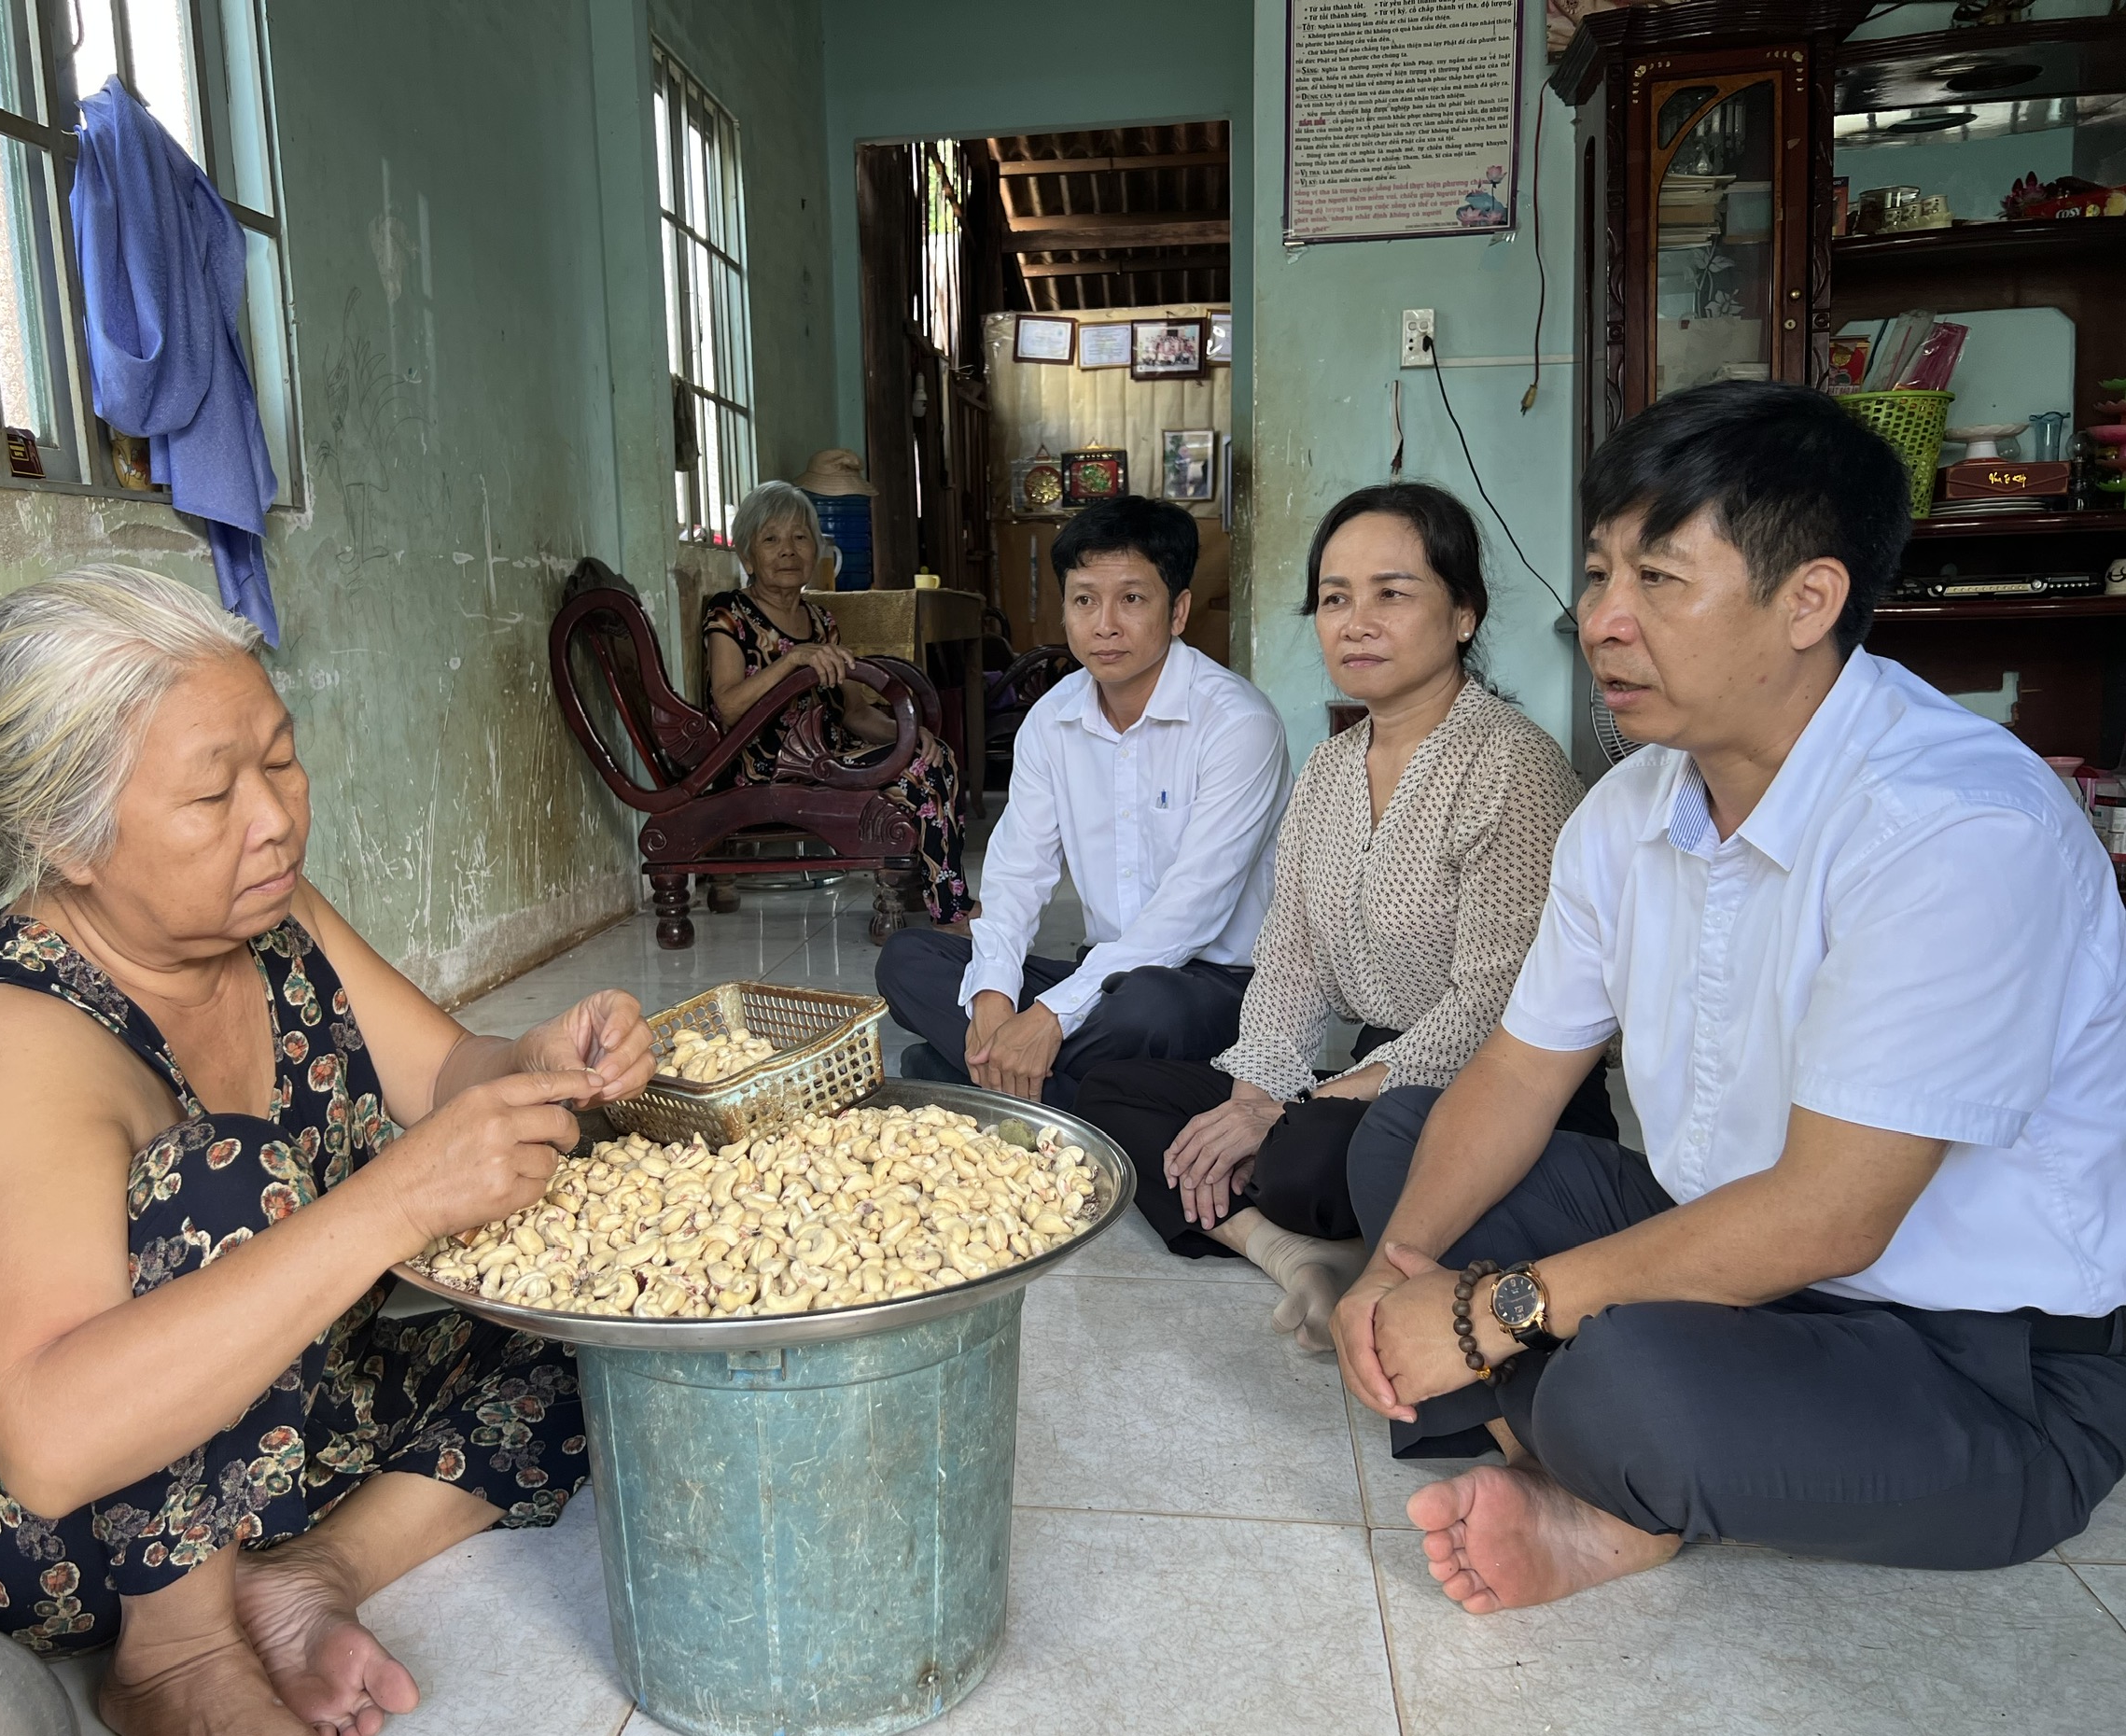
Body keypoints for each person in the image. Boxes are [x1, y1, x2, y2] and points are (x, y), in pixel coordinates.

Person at [0, 567, 654, 1736]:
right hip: (14, 1517)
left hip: (266, 1430)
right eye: (212, 792)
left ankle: (306, 1575)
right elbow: (46, 1437)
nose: (274, 818)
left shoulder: (273, 916)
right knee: (227, 1179)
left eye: (281, 759)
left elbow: (446, 1068)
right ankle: (180, 1656)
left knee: (611, 1336)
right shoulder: (20, 1036)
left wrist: (540, 1062)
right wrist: (401, 1198)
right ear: (67, 840)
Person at [1332, 380, 2126, 1617]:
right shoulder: (1632, 809)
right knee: (1399, 1143)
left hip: (1973, 1362)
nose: (1601, 622)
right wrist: (1398, 1271)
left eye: (1659, 580)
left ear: (1809, 600)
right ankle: (1609, 1475)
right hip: (1723, 1248)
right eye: (1597, 576)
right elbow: (1518, 1072)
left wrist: (1492, 1319)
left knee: (1625, 1381)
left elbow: (1829, 1221)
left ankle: (1611, 1486)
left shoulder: (1955, 827)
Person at [1076, 485, 1608, 1346]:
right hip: (1364, 1079)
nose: (1356, 622)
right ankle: (1288, 1251)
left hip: (1497, 1091)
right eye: (1334, 598)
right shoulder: (1327, 770)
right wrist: (1255, 1093)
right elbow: (1289, 964)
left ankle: (1334, 1225)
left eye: (1392, 594)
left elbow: (1492, 1008)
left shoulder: (1511, 765)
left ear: (1463, 612)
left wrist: (1291, 1111)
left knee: (1312, 1153)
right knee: (1106, 1089)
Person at [877, 495, 1292, 1110]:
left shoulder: (1237, 725)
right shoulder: (1053, 720)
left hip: (1213, 985)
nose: (1104, 624)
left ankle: (974, 1079)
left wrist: (1048, 1017)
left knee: (1151, 1011)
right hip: (1102, 977)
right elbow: (1019, 871)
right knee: (907, 960)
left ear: (1177, 611)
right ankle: (1071, 1092)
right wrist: (994, 996)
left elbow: (1190, 912)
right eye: (1084, 599)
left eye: (1131, 598)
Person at [703, 481, 972, 924]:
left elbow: (855, 712)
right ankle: (951, 910)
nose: (788, 550)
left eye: (800, 537)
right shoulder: (729, 614)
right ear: (747, 556)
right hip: (765, 764)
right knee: (920, 775)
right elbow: (729, 706)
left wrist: (906, 734)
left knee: (935, 754)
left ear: (816, 552)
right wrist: (792, 661)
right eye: (771, 539)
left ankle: (941, 895)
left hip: (825, 757)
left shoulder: (821, 620)